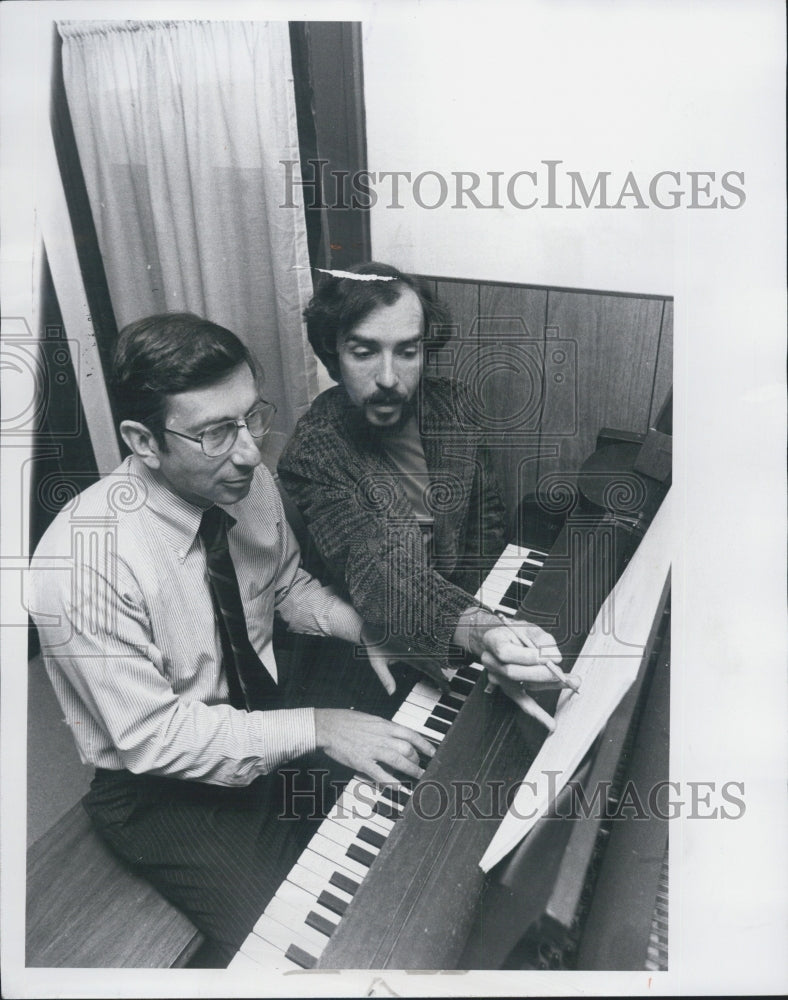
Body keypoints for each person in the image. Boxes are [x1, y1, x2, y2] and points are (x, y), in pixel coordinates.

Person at [26, 312, 435, 965]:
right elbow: (157, 741)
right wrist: (322, 728)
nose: (249, 449)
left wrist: (361, 628)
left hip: (264, 704)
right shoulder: (81, 564)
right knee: (308, 949)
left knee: (417, 783)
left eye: (251, 417)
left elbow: (283, 586)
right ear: (143, 439)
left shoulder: (246, 480)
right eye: (217, 432)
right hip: (163, 784)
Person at [278, 262, 564, 729]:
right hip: (367, 654)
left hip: (465, 627)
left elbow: (486, 530)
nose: (389, 378)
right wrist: (484, 630)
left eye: (407, 352)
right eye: (365, 352)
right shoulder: (313, 453)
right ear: (332, 357)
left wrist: (496, 622)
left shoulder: (455, 406)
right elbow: (379, 571)